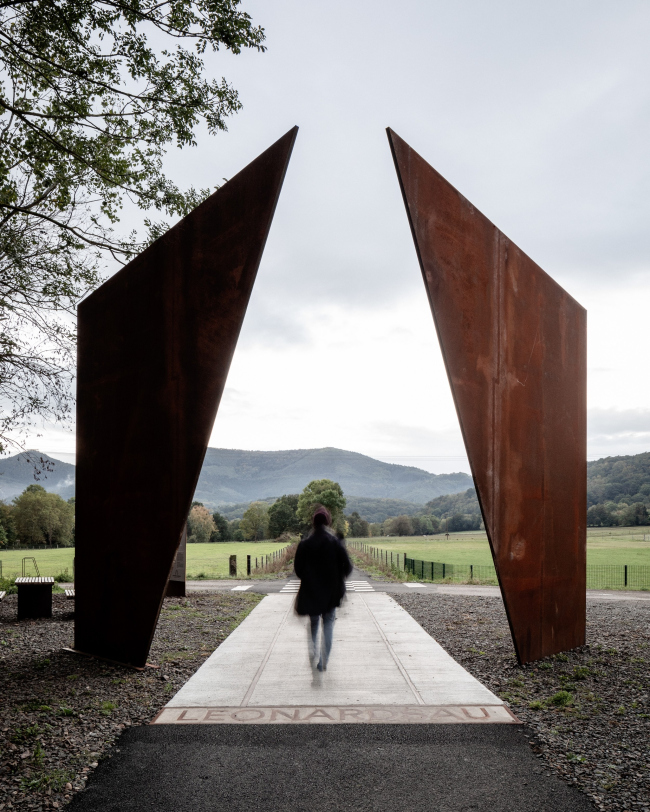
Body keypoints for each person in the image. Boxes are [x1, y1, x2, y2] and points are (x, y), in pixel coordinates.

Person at [294, 506, 352, 671]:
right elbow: (347, 567)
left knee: (313, 623)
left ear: (313, 523)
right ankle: (324, 661)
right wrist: (337, 578)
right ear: (328, 522)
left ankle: (313, 651)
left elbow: (298, 570)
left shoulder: (305, 544)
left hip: (311, 592)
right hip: (331, 593)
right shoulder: (335, 542)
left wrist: (310, 578)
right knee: (328, 624)